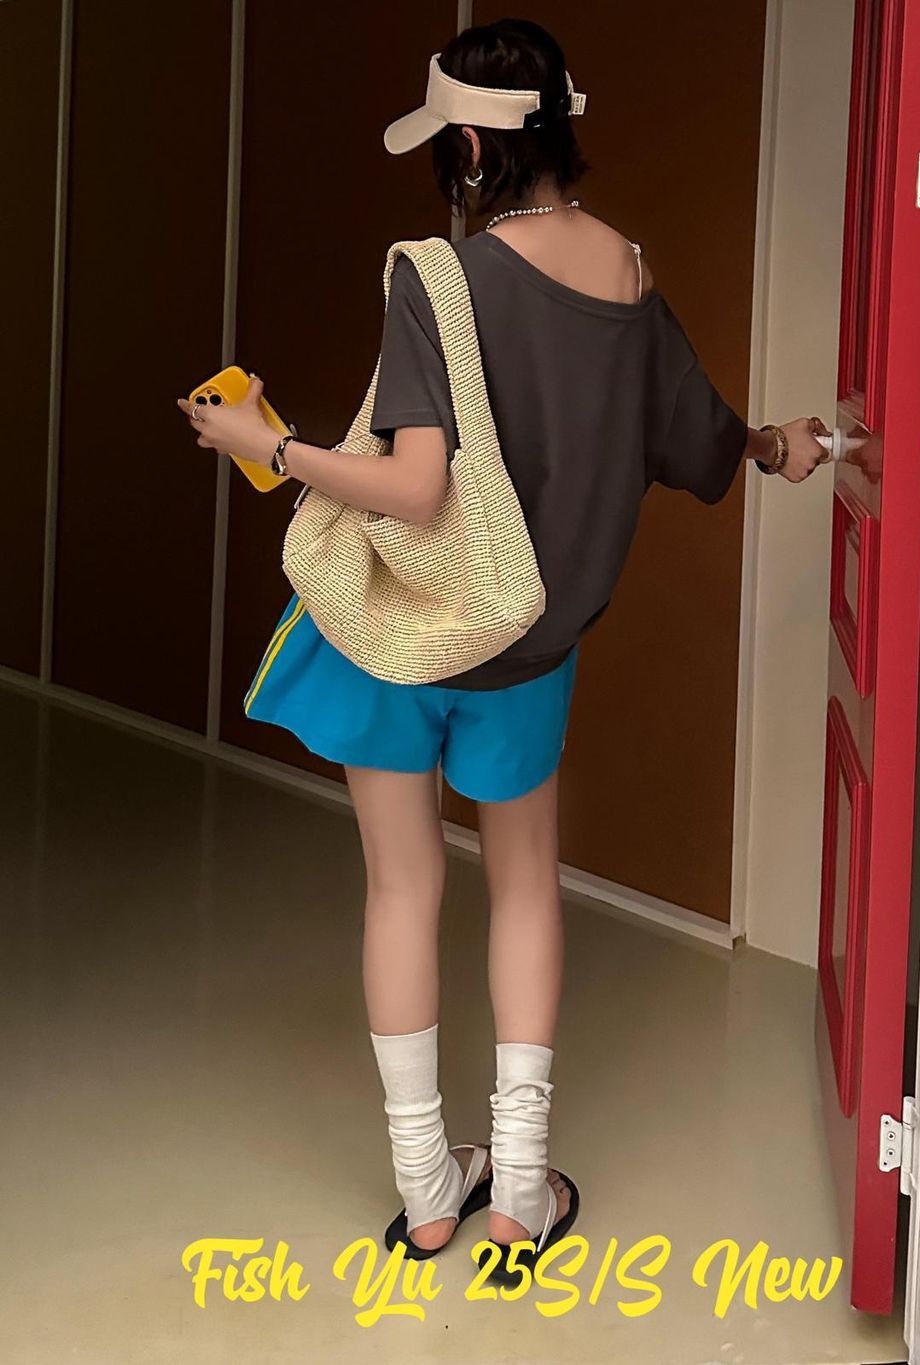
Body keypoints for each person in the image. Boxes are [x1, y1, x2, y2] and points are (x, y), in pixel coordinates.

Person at [176, 17, 828, 1282]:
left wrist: (267, 446)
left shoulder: (439, 279)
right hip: (526, 646)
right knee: (525, 885)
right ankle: (521, 1194)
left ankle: (429, 1195)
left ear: (471, 149)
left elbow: (415, 490)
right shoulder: (627, 270)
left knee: (400, 889)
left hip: (403, 641)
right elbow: (694, 436)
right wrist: (772, 446)